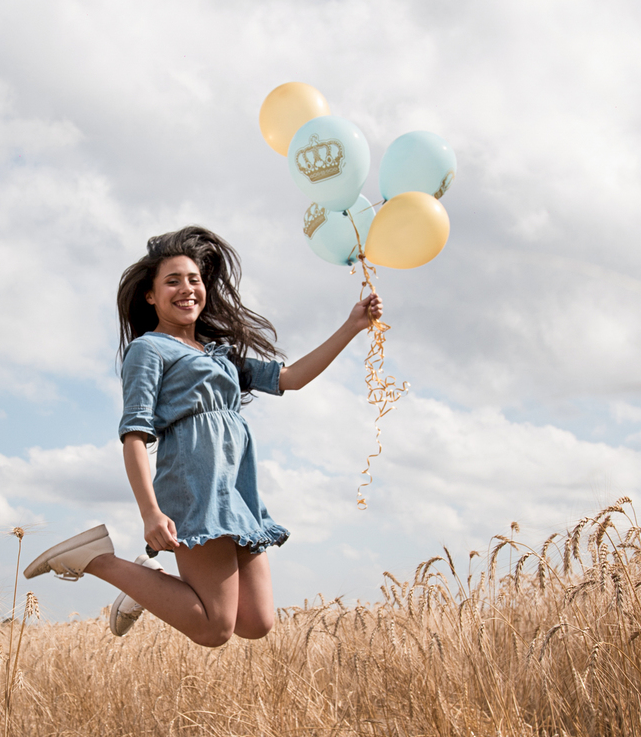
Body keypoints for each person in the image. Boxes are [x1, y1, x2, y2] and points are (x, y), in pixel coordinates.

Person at [23, 226, 382, 647]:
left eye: (194, 280)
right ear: (150, 296)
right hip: (195, 485)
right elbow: (135, 435)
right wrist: (151, 513)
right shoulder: (149, 349)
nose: (186, 289)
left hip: (237, 491)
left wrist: (353, 325)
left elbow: (291, 378)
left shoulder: (221, 354)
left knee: (257, 622)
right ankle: (98, 559)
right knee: (214, 629)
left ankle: (148, 582)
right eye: (172, 281)